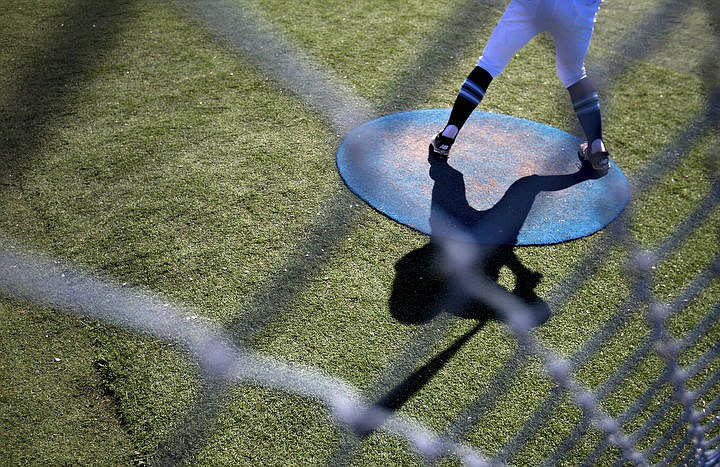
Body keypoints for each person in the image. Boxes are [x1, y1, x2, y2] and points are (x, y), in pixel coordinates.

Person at [431, 0, 610, 173]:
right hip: (578, 6)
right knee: (574, 75)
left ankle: (448, 136)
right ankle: (596, 146)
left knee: (489, 63)